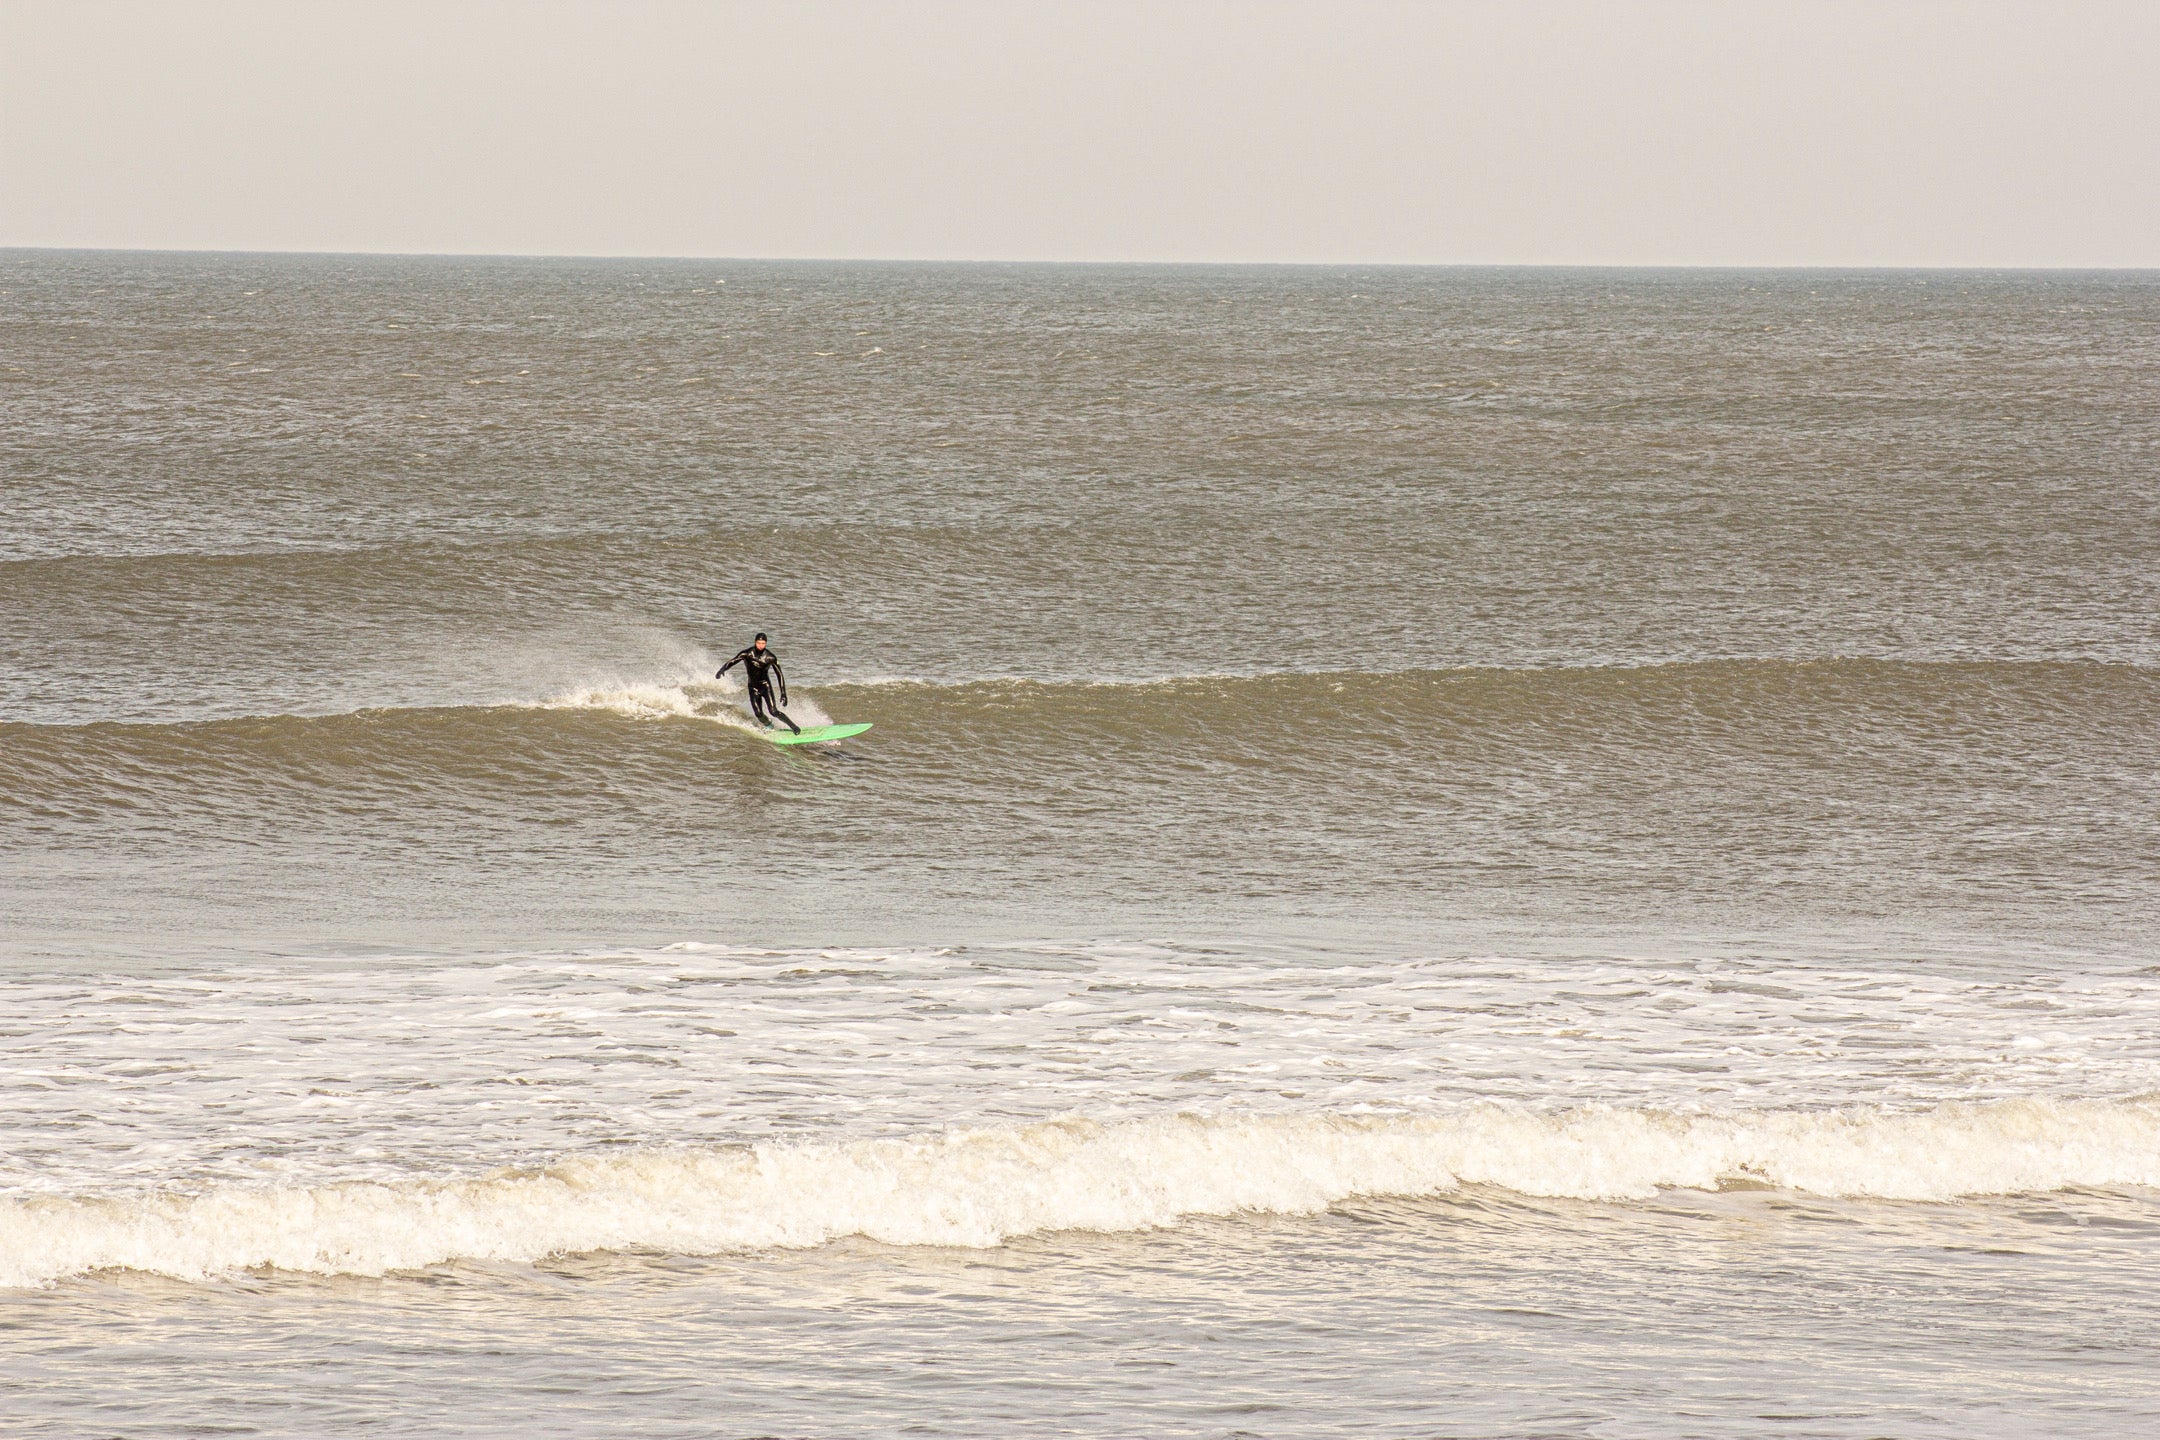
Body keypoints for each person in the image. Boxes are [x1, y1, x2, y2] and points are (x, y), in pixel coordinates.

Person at [716, 632, 800, 734]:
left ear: (766, 643)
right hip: (753, 688)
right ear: (755, 642)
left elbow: (780, 675)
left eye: (763, 643)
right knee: (758, 713)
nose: (761, 645)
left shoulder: (770, 657)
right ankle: (769, 725)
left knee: (773, 711)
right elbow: (733, 661)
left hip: (765, 686)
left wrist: (783, 693)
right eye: (759, 643)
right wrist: (722, 670)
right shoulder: (747, 654)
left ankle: (794, 726)